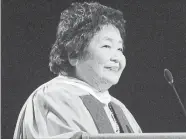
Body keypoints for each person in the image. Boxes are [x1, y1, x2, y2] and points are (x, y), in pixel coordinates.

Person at [13, 2, 142, 139]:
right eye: (106, 46)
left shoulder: (119, 108)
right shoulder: (51, 98)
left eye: (120, 49)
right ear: (74, 54)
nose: (117, 57)